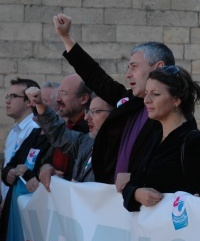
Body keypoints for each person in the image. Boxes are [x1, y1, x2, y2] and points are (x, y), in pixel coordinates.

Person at [53, 13, 174, 188]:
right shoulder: (128, 100)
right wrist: (66, 37)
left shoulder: (173, 114)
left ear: (159, 67)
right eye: (128, 68)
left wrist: (135, 183)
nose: (128, 75)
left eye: (134, 67)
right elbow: (95, 76)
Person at [122, 66, 200, 211]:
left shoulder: (192, 141)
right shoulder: (154, 138)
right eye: (146, 93)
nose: (146, 100)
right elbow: (134, 182)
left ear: (176, 100)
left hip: (178, 230)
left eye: (155, 94)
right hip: (149, 230)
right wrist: (136, 194)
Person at [0, 81, 59, 241]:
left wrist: (27, 173)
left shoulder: (57, 136)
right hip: (15, 211)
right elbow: (11, 163)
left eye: (44, 102)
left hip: (36, 218)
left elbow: (42, 170)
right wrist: (8, 173)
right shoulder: (32, 133)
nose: (38, 107)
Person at [27, 87, 113, 186]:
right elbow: (59, 133)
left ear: (114, 114)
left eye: (95, 111)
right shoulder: (86, 142)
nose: (87, 117)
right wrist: (40, 104)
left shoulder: (122, 150)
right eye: (88, 111)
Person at [38, 74, 91, 181]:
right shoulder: (67, 126)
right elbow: (47, 160)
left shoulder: (90, 132)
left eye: (63, 93)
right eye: (59, 93)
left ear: (84, 98)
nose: (57, 99)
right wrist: (46, 167)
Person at [2, 78, 40, 201]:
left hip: (23, 203)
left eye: (13, 96)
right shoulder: (14, 131)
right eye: (7, 96)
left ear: (29, 101)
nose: (7, 101)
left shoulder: (34, 129)